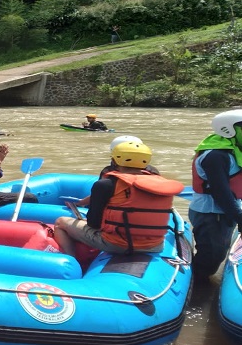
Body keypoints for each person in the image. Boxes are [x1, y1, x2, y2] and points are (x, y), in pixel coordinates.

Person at [53, 141, 183, 257]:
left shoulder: (106, 184)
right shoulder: (160, 184)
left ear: (114, 161)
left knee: (60, 222)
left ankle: (71, 259)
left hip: (117, 244)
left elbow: (94, 224)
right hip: (155, 246)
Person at [189, 109, 242, 281]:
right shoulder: (216, 156)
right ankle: (195, 288)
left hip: (225, 211)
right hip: (211, 214)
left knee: (217, 252)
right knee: (211, 257)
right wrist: (239, 217)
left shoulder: (234, 150)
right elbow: (221, 192)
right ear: (229, 130)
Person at [75, 135, 160, 206]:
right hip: (155, 221)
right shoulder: (153, 173)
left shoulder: (108, 174)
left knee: (62, 221)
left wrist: (79, 203)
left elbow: (99, 198)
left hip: (116, 221)